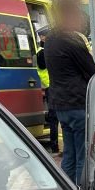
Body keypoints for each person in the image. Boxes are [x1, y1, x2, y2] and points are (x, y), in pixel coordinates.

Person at [43, 0, 95, 184]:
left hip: (60, 105)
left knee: (69, 155)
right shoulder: (72, 40)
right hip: (78, 103)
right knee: (83, 156)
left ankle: (67, 189)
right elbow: (91, 72)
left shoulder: (50, 40)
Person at [35, 27, 59, 155]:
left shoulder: (46, 50)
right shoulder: (42, 52)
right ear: (42, 37)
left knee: (56, 117)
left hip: (54, 86)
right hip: (51, 87)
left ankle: (57, 145)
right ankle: (55, 146)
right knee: (54, 118)